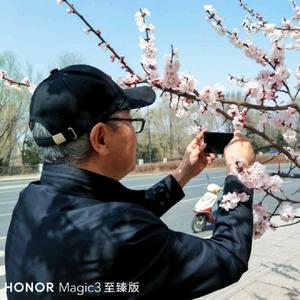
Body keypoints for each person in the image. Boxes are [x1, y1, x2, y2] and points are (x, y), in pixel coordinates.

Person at [5, 64, 255, 300]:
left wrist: (184, 173)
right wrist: (238, 170)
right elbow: (228, 256)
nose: (135, 133)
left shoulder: (33, 200)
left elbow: (119, 215)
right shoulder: (119, 231)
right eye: (130, 121)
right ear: (100, 138)